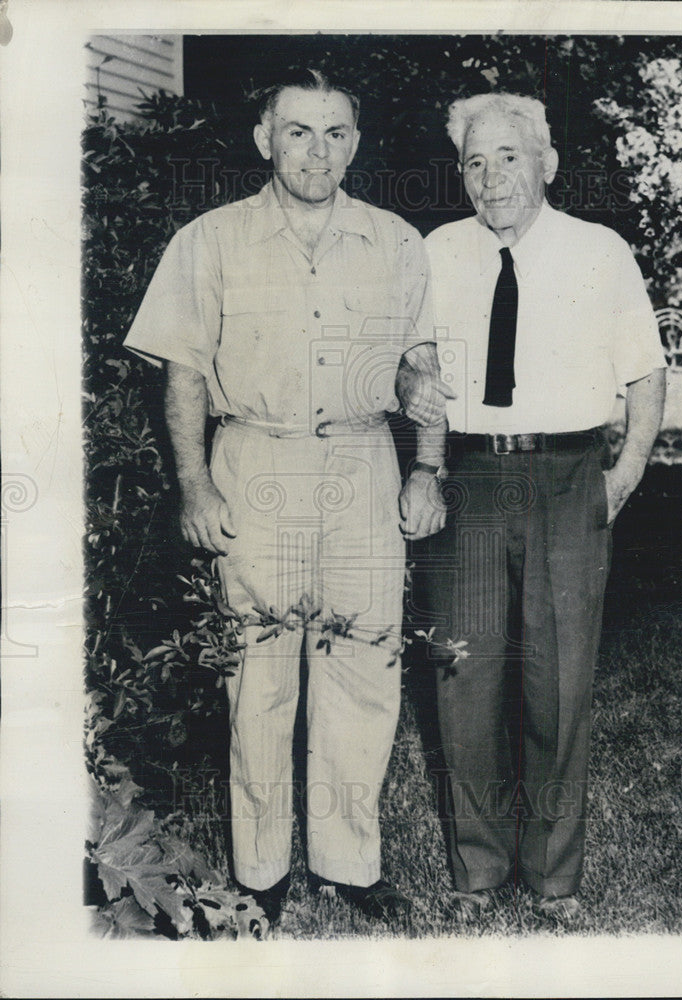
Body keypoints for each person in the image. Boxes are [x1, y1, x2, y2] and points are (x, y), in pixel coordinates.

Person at [124, 69, 448, 925]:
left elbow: (424, 367)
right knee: (258, 675)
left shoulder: (396, 242)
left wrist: (428, 468)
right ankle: (260, 870)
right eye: (298, 132)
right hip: (252, 462)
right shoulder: (210, 241)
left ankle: (350, 864)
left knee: (364, 667)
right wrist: (194, 484)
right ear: (264, 139)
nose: (317, 150)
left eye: (335, 133)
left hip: (361, 466)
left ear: (355, 143)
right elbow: (184, 371)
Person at [420, 92, 667, 921]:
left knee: (558, 682)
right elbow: (416, 371)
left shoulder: (601, 252)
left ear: (546, 164)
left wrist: (623, 473)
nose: (490, 179)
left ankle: (554, 876)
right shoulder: (438, 251)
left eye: (509, 157)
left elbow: (643, 374)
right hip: (472, 478)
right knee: (467, 674)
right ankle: (478, 871)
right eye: (474, 162)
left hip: (566, 475)